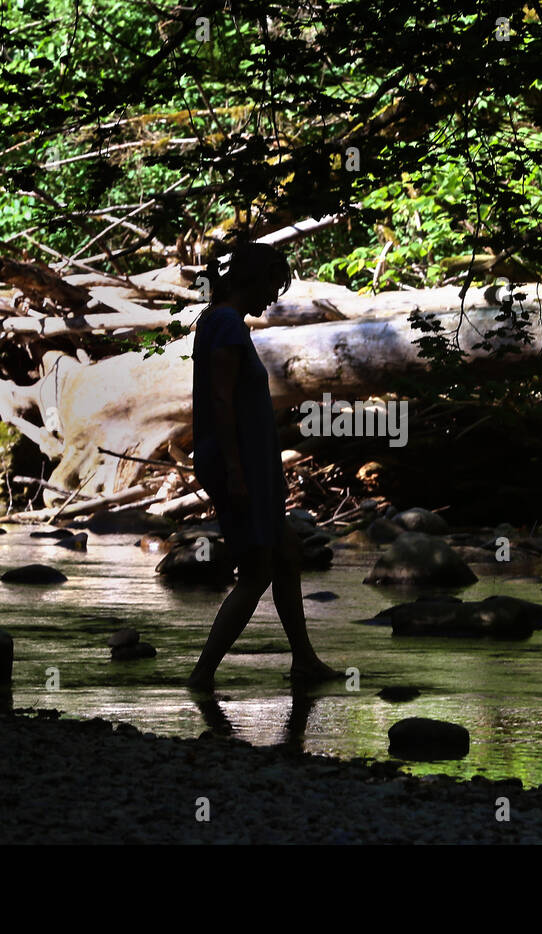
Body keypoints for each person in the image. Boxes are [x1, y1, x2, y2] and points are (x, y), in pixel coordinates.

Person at [186, 241, 340, 691]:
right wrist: (235, 470)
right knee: (256, 572)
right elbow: (220, 399)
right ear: (248, 279)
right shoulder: (228, 326)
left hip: (247, 461)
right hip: (240, 463)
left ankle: (304, 661)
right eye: (270, 285)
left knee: (287, 554)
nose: (272, 297)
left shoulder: (219, 322)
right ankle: (202, 675)